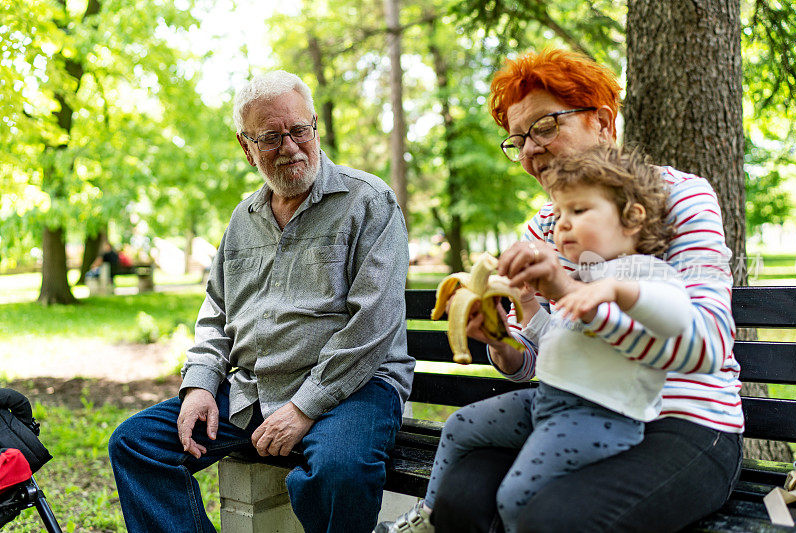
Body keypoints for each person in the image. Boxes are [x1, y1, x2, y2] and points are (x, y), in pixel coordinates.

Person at [409, 48, 741, 533]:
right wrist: (500, 340)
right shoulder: (543, 229)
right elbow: (530, 362)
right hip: (572, 410)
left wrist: (575, 294)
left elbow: (704, 346)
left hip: (684, 420)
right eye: (517, 139)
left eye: (545, 127)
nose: (528, 151)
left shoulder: (679, 199)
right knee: (461, 504)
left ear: (603, 123)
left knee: (552, 520)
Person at [108, 70, 413, 533]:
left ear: (315, 126)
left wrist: (305, 406)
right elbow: (215, 313)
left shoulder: (369, 201)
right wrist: (201, 386)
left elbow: (372, 325)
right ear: (245, 146)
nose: (290, 147)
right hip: (254, 388)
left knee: (338, 472)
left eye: (299, 130)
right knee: (137, 445)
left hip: (354, 387)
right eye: (271, 137)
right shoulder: (243, 218)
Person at [381, 145, 695, 533]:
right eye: (559, 213)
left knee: (516, 496)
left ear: (631, 218)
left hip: (600, 417)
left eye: (578, 211)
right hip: (548, 402)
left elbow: (678, 318)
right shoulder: (584, 276)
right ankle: (428, 520)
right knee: (459, 425)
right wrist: (526, 304)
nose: (561, 225)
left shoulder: (646, 273)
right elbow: (560, 347)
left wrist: (618, 291)